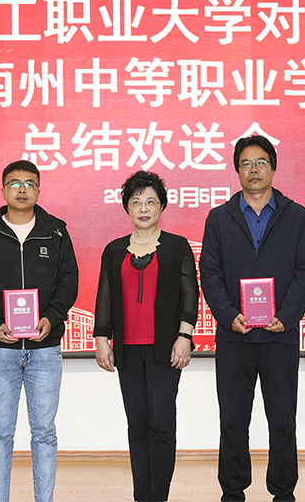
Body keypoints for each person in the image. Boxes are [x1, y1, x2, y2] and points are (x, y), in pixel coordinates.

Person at [199, 135, 305, 502]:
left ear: (273, 167)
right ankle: (233, 491)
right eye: (246, 163)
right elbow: (210, 274)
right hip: (234, 335)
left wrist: (287, 316)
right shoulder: (219, 218)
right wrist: (228, 315)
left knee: (282, 420)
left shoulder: (296, 215)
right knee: (233, 420)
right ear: (237, 171)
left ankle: (283, 492)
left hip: (280, 334)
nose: (254, 169)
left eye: (261, 162)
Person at [0, 160, 79, 502]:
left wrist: (52, 318)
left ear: (39, 190)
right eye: (14, 183)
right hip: (1, 349)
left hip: (45, 349)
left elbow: (68, 282)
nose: (22, 189)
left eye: (29, 183)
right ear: (3, 190)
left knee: (44, 432)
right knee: (0, 433)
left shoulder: (56, 232)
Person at [93, 171, 199, 502]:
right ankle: (142, 495)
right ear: (126, 207)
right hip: (127, 350)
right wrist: (101, 339)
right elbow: (105, 297)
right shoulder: (114, 251)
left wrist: (185, 336)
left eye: (151, 201)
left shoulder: (177, 247)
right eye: (136, 202)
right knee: (137, 425)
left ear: (162, 206)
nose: (143, 208)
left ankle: (159, 495)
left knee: (162, 425)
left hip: (165, 350)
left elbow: (190, 295)